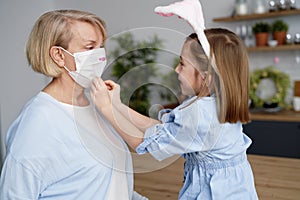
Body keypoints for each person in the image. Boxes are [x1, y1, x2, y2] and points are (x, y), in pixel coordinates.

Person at [89, 1, 259, 199]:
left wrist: (106, 108)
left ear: (205, 77)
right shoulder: (215, 102)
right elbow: (162, 128)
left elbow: (143, 144)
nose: (177, 70)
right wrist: (117, 106)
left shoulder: (199, 115)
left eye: (182, 63)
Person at [0, 9, 147, 200]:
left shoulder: (96, 106)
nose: (100, 55)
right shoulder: (37, 124)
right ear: (59, 56)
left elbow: (107, 182)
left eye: (101, 46)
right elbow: (15, 194)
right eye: (89, 47)